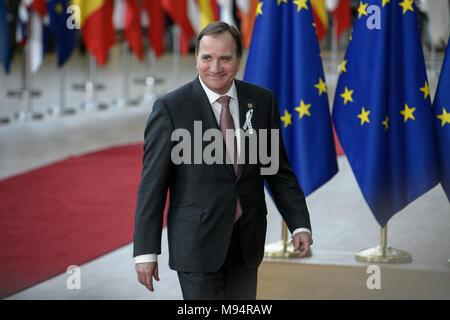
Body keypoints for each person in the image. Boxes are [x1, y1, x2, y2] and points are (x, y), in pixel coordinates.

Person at [133, 21, 313, 300]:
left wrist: (299, 223)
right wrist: (146, 250)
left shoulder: (262, 101)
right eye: (207, 57)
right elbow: (152, 186)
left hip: (246, 244)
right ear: (196, 59)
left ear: (238, 60)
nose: (215, 67)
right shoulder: (171, 108)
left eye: (225, 58)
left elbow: (277, 171)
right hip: (196, 246)